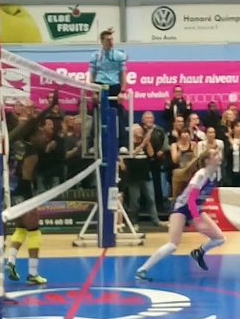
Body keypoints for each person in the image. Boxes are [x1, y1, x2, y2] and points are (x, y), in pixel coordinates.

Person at [135, 149, 225, 280]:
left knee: (219, 238)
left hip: (196, 208)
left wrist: (197, 215)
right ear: (207, 160)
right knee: (173, 245)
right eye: (215, 154)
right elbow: (191, 198)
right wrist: (196, 218)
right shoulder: (201, 175)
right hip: (182, 208)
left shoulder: (216, 174)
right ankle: (142, 270)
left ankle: (199, 252)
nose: (219, 156)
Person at [5, 93, 60, 286]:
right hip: (23, 190)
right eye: (40, 133)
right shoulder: (27, 142)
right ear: (31, 135)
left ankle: (11, 261)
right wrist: (50, 105)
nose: (43, 136)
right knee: (35, 229)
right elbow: (35, 121)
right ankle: (33, 273)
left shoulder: (18, 143)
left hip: (13, 188)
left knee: (21, 227)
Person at [88, 28, 128, 142]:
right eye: (107, 40)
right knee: (97, 113)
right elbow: (92, 74)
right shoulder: (95, 56)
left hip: (114, 86)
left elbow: (123, 74)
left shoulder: (120, 55)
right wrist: (93, 92)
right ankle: (93, 143)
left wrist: (122, 91)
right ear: (101, 41)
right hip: (99, 85)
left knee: (119, 113)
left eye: (112, 39)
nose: (111, 42)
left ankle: (122, 144)